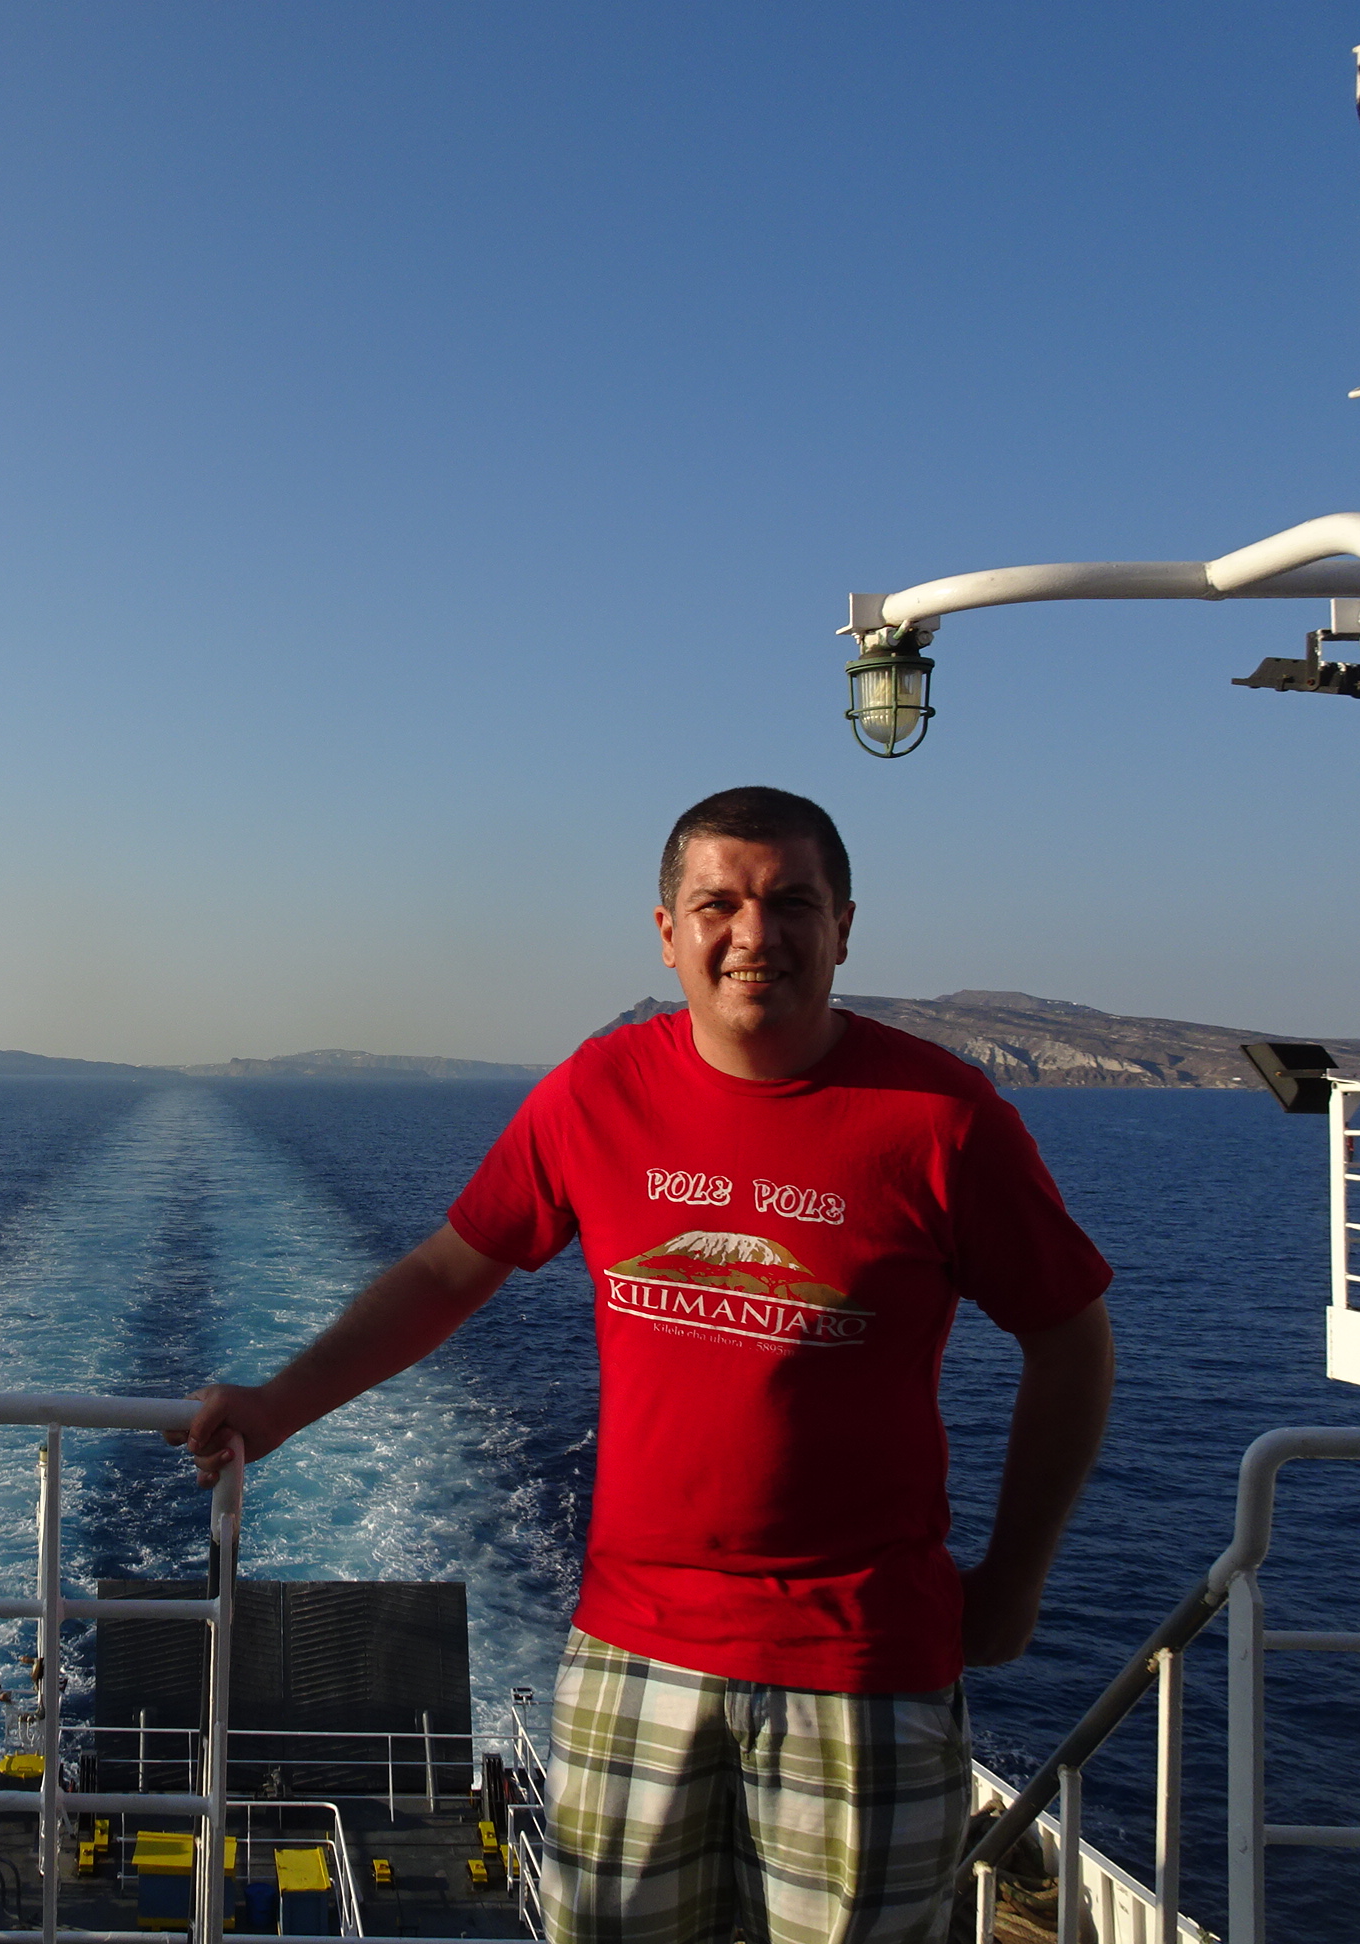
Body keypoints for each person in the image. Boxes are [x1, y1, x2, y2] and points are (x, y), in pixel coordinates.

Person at [172, 785, 1114, 1944]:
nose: (755, 934)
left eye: (792, 903)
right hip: (636, 1651)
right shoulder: (599, 1091)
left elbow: (1071, 1338)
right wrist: (280, 1406)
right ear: (668, 932)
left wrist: (1015, 1580)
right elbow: (448, 1271)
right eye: (719, 904)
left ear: (844, 926)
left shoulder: (941, 1120)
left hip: (861, 1665)